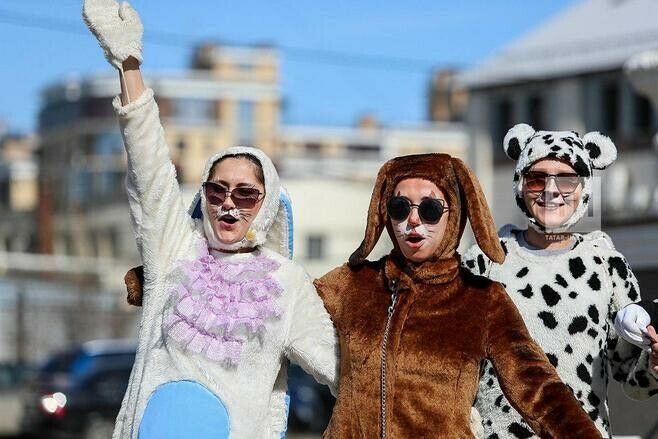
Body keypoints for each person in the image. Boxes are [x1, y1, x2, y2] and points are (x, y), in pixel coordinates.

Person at [82, 1, 338, 438]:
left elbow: (346, 369)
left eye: (246, 194)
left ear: (267, 203)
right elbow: (150, 172)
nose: (228, 204)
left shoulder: (289, 283)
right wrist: (127, 63)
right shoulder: (175, 251)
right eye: (216, 191)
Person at [313, 154, 600, 437]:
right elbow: (285, 305)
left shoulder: (482, 300)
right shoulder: (352, 283)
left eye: (430, 209)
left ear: (456, 212)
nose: (413, 220)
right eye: (399, 207)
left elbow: (539, 390)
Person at [463, 124, 658, 439]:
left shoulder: (607, 267)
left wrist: (654, 363)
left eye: (567, 180)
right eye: (537, 178)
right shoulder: (482, 262)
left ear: (585, 188)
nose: (551, 190)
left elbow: (632, 381)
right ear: (520, 185)